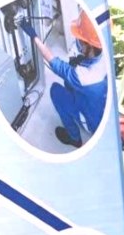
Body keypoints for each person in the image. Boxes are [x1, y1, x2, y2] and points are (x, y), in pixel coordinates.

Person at [20, 10, 107, 149]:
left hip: (93, 123)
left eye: (80, 40)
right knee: (68, 81)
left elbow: (55, 63)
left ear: (90, 46)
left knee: (55, 91)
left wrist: (34, 36)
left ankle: (74, 138)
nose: (78, 42)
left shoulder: (85, 77)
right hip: (99, 106)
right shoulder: (104, 52)